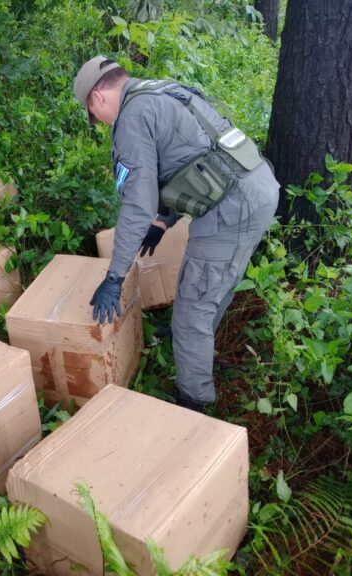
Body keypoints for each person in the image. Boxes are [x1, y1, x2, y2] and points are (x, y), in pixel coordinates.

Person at [76, 56, 279, 411]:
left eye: (95, 118)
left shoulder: (131, 118)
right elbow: (195, 160)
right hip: (258, 188)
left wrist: (114, 277)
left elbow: (136, 205)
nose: (101, 124)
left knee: (191, 312)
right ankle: (195, 341)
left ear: (97, 98)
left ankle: (194, 403)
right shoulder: (164, 91)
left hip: (231, 210)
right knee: (212, 288)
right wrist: (163, 221)